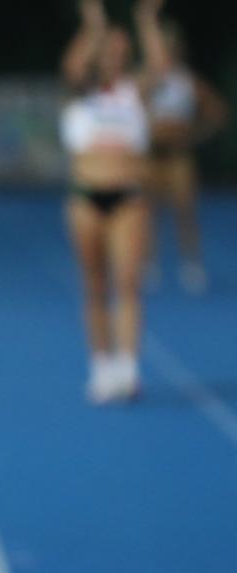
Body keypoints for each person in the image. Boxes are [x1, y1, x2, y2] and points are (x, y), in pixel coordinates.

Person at [60, 0, 168, 405]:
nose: (117, 54)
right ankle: (100, 367)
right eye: (111, 47)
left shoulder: (134, 92)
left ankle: (128, 368)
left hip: (128, 199)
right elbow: (74, 63)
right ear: (101, 51)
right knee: (94, 286)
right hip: (87, 198)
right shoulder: (79, 89)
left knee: (127, 283)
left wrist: (147, 22)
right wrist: (93, 22)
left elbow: (158, 69)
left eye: (124, 49)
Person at [144, 18, 229, 294]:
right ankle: (149, 263)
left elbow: (217, 110)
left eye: (171, 48)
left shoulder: (187, 80)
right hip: (153, 155)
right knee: (149, 211)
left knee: (185, 210)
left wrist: (196, 135)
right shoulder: (148, 80)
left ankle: (191, 263)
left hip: (179, 155)